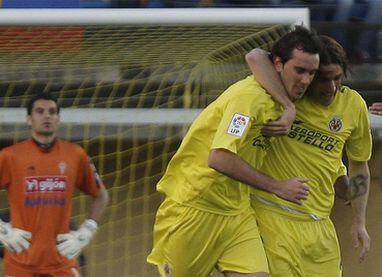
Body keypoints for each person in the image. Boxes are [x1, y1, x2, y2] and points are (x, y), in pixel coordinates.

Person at [147, 26, 321, 277]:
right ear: (279, 65)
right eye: (300, 70)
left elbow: (256, 56)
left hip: (237, 213)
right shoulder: (248, 98)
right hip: (195, 209)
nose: (306, 80)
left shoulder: (281, 98)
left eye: (311, 73)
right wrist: (277, 186)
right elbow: (219, 158)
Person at [245, 35, 372, 276]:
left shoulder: (353, 105)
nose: (331, 87)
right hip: (271, 217)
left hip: (320, 228)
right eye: (324, 79)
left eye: (337, 78)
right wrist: (288, 106)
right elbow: (255, 56)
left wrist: (359, 221)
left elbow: (359, 166)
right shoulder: (283, 94)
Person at [0, 94, 109, 276]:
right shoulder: (10, 156)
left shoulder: (75, 155)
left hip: (62, 262)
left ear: (58, 119)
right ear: (29, 119)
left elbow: (101, 195)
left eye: (52, 112)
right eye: (40, 111)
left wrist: (87, 230)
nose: (47, 116)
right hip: (20, 263)